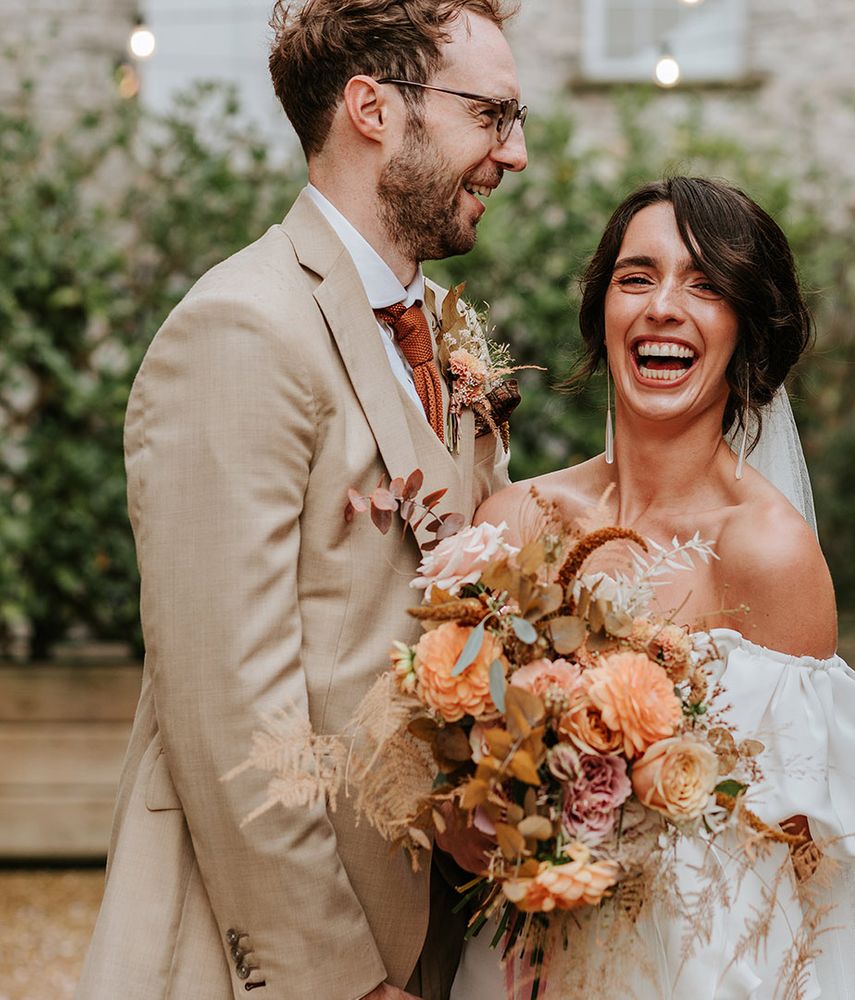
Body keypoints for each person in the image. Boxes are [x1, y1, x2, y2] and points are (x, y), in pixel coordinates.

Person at [77, 2, 526, 999]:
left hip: (439, 923)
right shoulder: (242, 328)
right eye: (491, 115)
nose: (515, 153)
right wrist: (338, 979)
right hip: (273, 953)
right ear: (372, 107)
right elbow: (226, 703)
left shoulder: (433, 334)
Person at [449, 178, 855, 999]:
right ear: (604, 314)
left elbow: (795, 880)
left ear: (747, 331)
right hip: (516, 964)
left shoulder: (768, 553)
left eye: (705, 285)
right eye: (637, 277)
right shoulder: (517, 518)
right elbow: (452, 790)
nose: (663, 306)